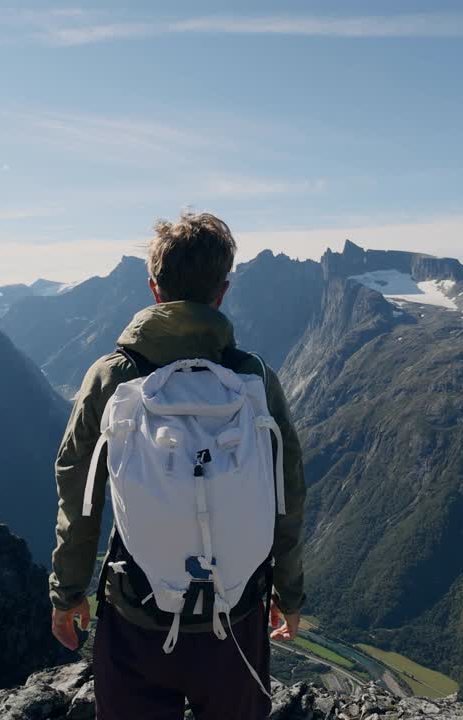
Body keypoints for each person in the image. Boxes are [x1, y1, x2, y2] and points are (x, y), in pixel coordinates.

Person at [47, 211, 306, 719]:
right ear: (222, 291)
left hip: (136, 612)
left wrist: (68, 591)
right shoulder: (252, 378)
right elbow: (286, 493)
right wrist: (289, 595)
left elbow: (78, 494)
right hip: (236, 616)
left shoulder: (111, 376)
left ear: (153, 287)